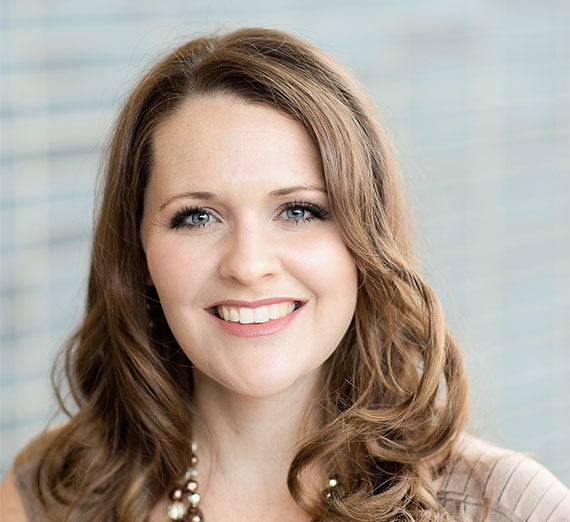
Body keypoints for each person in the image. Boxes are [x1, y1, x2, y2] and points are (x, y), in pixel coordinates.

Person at [0, 27, 568, 522]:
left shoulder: (512, 509)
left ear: (364, 242)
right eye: (196, 217)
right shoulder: (50, 495)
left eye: (299, 211)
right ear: (138, 250)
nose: (248, 265)